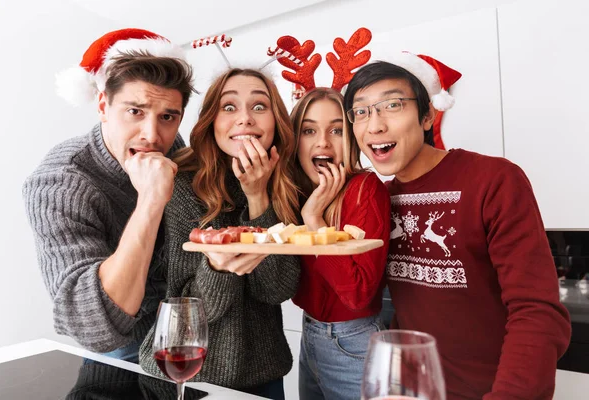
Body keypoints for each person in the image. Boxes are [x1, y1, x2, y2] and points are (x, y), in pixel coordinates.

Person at [343, 52, 571, 399]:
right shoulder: (379, 200)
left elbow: (537, 311)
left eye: (392, 105)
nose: (374, 125)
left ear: (427, 116)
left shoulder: (494, 180)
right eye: (361, 111)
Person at [22, 28, 194, 362]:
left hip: (182, 332)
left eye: (167, 117)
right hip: (121, 347)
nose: (151, 135)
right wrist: (150, 201)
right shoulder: (59, 183)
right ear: (103, 104)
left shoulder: (169, 145)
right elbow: (92, 329)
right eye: (135, 111)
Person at [139, 68, 300, 400]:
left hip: (263, 375)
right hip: (186, 375)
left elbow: (276, 289)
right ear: (211, 121)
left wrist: (258, 197)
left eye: (259, 106)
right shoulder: (182, 186)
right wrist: (218, 267)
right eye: (229, 107)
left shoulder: (285, 183)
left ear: (276, 121)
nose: (245, 119)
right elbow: (184, 313)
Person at [289, 87, 390, 400]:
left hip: (354, 343)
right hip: (310, 335)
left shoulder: (366, 190)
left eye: (336, 130)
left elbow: (357, 295)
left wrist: (315, 220)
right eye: (309, 130)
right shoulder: (297, 193)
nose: (322, 142)